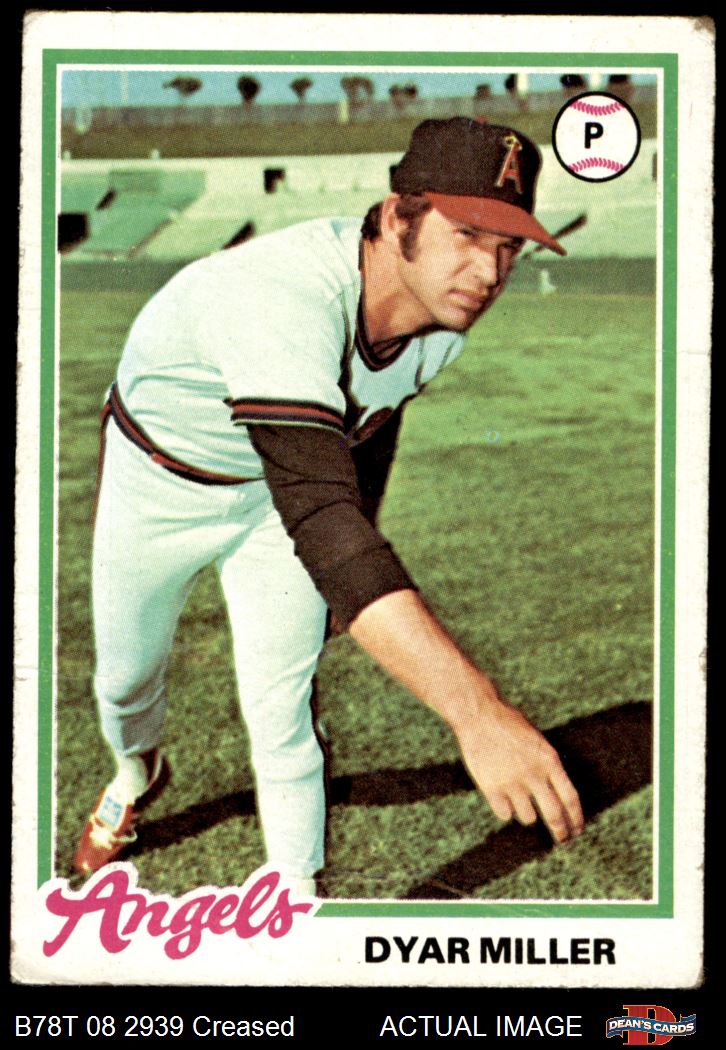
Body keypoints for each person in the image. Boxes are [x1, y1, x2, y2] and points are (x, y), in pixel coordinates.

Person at [75, 118, 584, 891]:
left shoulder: (439, 326)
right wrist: (477, 713)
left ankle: (295, 902)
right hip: (158, 482)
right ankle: (134, 774)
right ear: (397, 218)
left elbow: (373, 424)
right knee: (124, 681)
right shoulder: (284, 294)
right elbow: (320, 516)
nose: (489, 270)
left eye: (509, 246)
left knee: (281, 712)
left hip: (273, 499)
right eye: (467, 234)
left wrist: (360, 537)